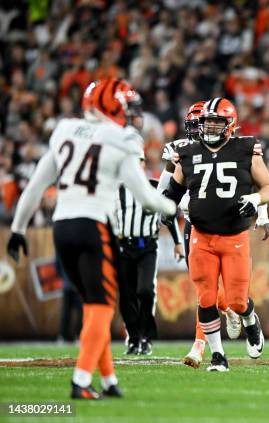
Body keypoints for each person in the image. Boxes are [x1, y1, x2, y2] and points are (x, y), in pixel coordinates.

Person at [6, 78, 176, 398]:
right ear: (111, 107)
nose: (130, 116)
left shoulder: (65, 130)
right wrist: (173, 205)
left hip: (62, 228)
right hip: (94, 227)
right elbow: (146, 197)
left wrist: (17, 230)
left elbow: (35, 186)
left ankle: (109, 380)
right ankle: (82, 380)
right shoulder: (120, 138)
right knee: (101, 306)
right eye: (126, 108)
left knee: (92, 305)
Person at [163, 97, 269, 371]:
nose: (211, 127)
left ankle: (250, 320)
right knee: (205, 298)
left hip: (234, 236)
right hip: (201, 235)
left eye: (217, 122)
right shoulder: (187, 152)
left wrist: (256, 200)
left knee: (237, 300)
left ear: (230, 124)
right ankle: (218, 355)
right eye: (207, 122)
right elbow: (171, 192)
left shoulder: (246, 148)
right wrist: (162, 207)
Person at [115, 151, 183, 356]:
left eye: (138, 161)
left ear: (144, 164)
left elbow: (168, 214)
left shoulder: (154, 187)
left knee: (145, 290)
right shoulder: (114, 190)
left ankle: (145, 336)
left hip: (147, 246)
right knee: (126, 295)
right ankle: (133, 338)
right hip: (122, 246)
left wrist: (178, 242)